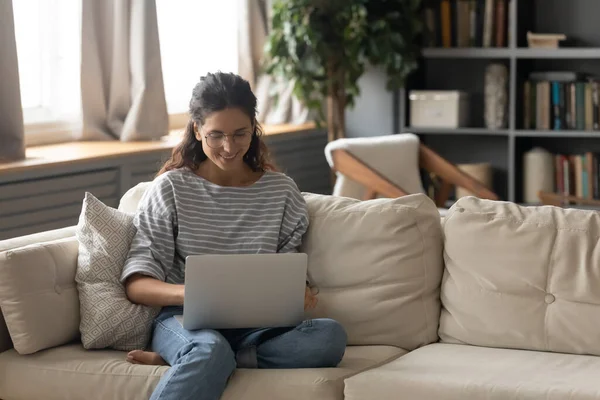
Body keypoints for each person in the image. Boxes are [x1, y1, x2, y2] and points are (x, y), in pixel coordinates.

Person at [120, 72, 347, 400]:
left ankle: (205, 360)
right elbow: (137, 285)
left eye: (240, 133)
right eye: (216, 135)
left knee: (329, 337)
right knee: (208, 348)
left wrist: (299, 290)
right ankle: (202, 355)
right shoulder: (170, 189)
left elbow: (287, 268)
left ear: (254, 128)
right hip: (187, 321)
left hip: (258, 327)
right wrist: (195, 294)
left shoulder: (281, 191)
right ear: (197, 131)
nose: (229, 147)